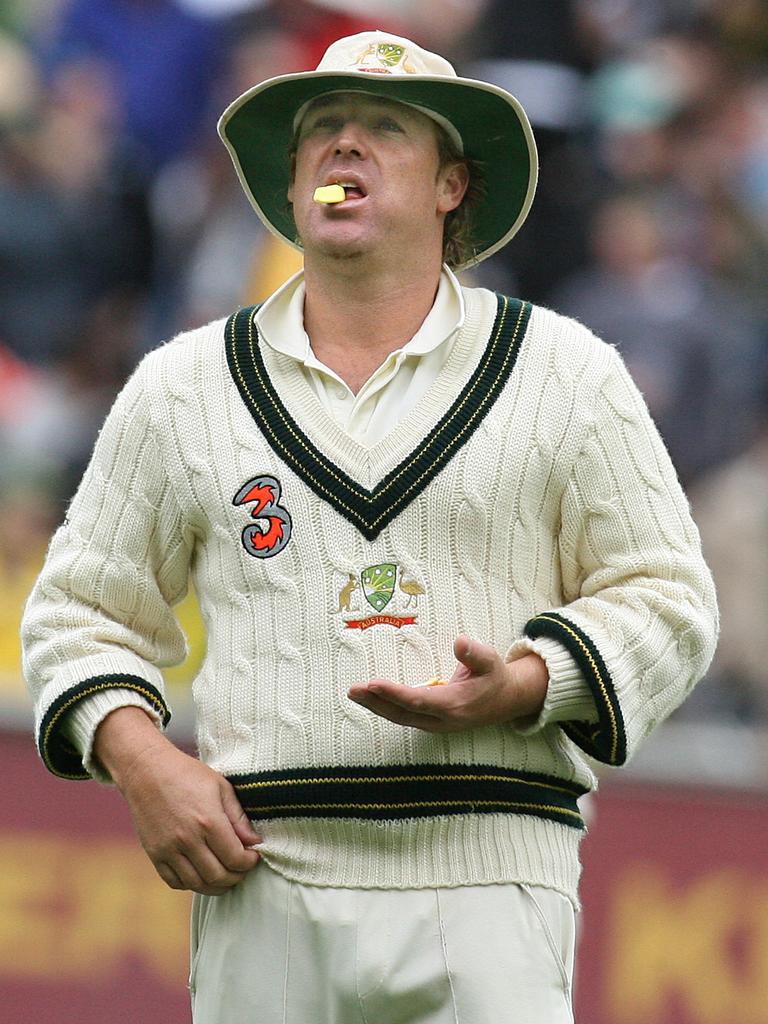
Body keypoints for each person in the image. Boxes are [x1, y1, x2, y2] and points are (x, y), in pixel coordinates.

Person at [22, 30, 718, 1024]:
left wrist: (530, 680)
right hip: (259, 882)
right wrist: (143, 762)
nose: (341, 149)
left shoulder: (565, 372)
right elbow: (77, 615)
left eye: (383, 127)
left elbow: (671, 598)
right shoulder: (185, 388)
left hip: (491, 880)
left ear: (450, 186)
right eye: (320, 132)